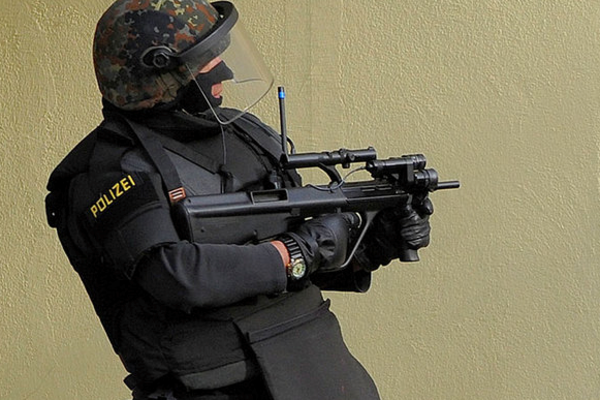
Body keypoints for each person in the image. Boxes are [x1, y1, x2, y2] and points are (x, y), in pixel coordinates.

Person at [45, 1, 433, 399]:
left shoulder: (246, 134)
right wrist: (298, 251)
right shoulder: (110, 171)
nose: (224, 71)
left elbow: (295, 264)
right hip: (213, 384)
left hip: (317, 367)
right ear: (157, 75)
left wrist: (369, 245)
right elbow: (178, 277)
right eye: (204, 61)